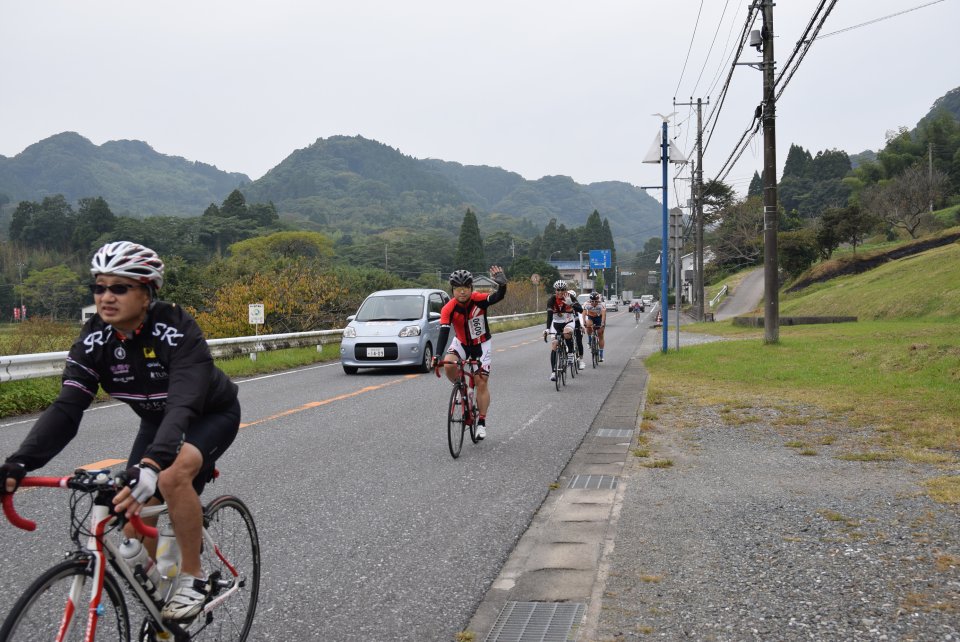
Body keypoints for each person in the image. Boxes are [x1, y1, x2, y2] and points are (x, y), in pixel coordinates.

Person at [0, 241, 240, 622]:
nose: (106, 297)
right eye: (99, 287)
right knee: (132, 509)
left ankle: (193, 578)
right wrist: (19, 461)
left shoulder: (177, 329)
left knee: (173, 476)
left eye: (119, 287)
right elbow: (67, 407)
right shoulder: (94, 339)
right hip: (156, 420)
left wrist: (151, 465)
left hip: (208, 413)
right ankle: (160, 583)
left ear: (146, 294)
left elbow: (182, 405)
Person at [432, 266, 507, 440]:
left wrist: (502, 286)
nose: (462, 292)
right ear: (452, 290)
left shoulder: (478, 300)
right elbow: (444, 333)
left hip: (481, 344)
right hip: (462, 343)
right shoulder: (448, 308)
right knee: (449, 363)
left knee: (481, 381)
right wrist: (436, 356)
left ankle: (481, 422)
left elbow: (497, 297)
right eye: (458, 289)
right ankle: (460, 386)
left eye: (465, 288)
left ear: (471, 288)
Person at [543, 280, 584, 381]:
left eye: (562, 290)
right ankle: (553, 372)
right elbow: (549, 316)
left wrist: (572, 304)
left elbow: (581, 310)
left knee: (566, 333)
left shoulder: (570, 297)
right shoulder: (552, 300)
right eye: (558, 290)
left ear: (566, 290)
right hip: (556, 323)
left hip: (568, 322)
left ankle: (570, 353)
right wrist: (547, 329)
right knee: (554, 344)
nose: (560, 292)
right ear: (555, 290)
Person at [582, 291, 607, 362]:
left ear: (598, 300)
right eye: (592, 301)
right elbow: (583, 313)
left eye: (595, 301)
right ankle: (590, 341)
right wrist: (584, 322)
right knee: (588, 325)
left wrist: (602, 323)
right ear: (590, 300)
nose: (594, 303)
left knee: (600, 334)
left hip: (599, 318)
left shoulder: (601, 305)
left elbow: (604, 314)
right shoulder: (587, 304)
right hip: (591, 317)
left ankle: (601, 354)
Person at [567, 289, 586, 370]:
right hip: (569, 323)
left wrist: (582, 325)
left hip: (577, 323)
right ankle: (568, 352)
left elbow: (581, 314)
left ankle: (581, 360)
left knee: (579, 341)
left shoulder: (576, 304)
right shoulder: (564, 303)